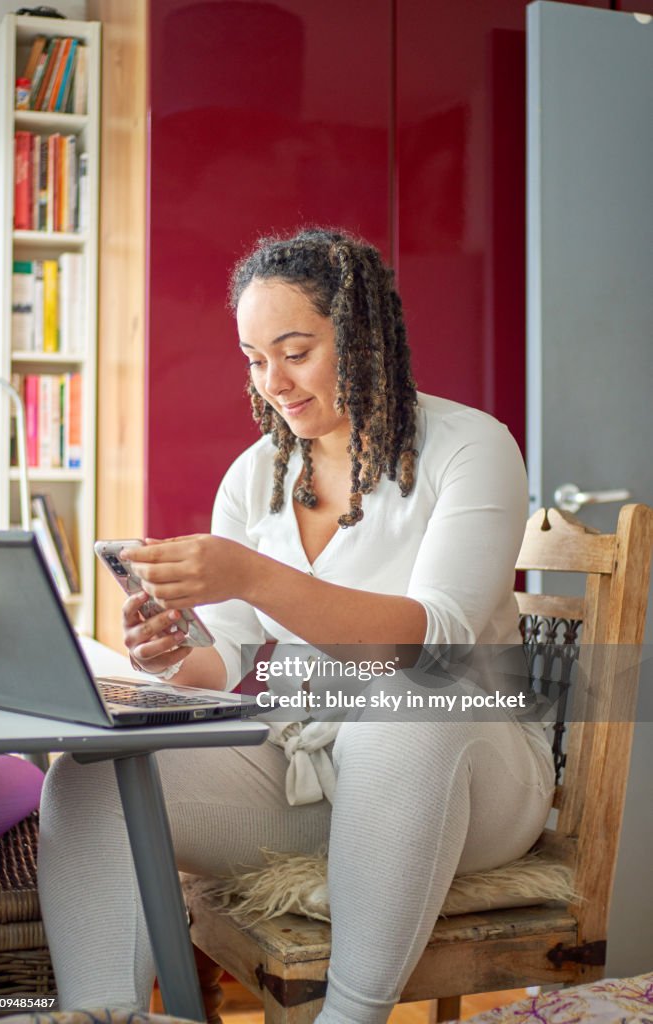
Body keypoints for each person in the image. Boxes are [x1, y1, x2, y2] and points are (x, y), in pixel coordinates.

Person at [38, 228, 554, 1024]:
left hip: (469, 774)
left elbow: (438, 643)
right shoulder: (255, 476)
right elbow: (235, 661)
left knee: (403, 711)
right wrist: (177, 658)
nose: (273, 381)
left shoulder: (470, 447)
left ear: (362, 337)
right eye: (252, 358)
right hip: (309, 769)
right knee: (92, 772)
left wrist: (251, 574)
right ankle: (104, 1014)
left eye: (295, 350)